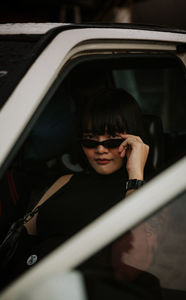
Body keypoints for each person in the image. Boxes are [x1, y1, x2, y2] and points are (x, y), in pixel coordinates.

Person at [2, 87, 150, 290]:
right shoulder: (66, 181)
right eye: (90, 140)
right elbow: (21, 236)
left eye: (113, 140)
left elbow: (135, 260)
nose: (100, 149)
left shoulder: (146, 191)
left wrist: (135, 176)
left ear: (134, 139)